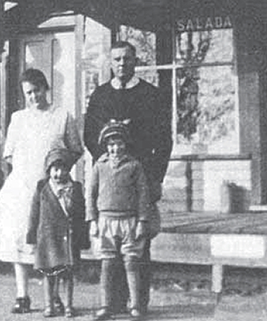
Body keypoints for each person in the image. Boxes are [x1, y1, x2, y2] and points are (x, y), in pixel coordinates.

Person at [83, 41, 172, 313]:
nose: (122, 64)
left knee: (138, 243)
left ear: (136, 61)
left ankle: (138, 304)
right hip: (112, 183)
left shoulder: (150, 94)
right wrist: (108, 165)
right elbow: (89, 136)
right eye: (117, 59)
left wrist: (155, 176)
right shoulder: (100, 95)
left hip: (140, 179)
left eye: (128, 59)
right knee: (111, 249)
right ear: (111, 63)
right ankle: (114, 303)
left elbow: (164, 141)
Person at [0, 68, 83, 314]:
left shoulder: (62, 116)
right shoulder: (18, 118)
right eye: (28, 93)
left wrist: (58, 172)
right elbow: (9, 155)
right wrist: (25, 174)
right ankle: (22, 295)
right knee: (18, 237)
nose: (33, 97)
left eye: (36, 91)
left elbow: (76, 149)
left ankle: (53, 297)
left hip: (51, 188)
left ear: (46, 88)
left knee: (51, 241)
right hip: (22, 186)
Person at [87, 120, 151, 320]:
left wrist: (142, 221)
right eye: (111, 144)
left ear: (126, 144)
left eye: (119, 143)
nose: (115, 148)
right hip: (106, 221)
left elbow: (143, 195)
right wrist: (92, 220)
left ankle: (135, 305)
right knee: (107, 263)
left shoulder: (134, 166)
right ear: (106, 146)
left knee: (131, 263)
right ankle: (106, 305)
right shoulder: (99, 165)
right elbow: (90, 193)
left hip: (129, 221)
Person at [26, 148, 89, 318]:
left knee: (67, 274)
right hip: (48, 238)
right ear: (49, 171)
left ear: (68, 170)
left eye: (62, 169)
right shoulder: (43, 188)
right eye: (54, 169)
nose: (58, 174)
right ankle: (49, 305)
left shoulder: (75, 188)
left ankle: (68, 305)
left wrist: (83, 238)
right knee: (49, 274)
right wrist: (31, 237)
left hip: (68, 238)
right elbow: (34, 213)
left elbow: (81, 214)